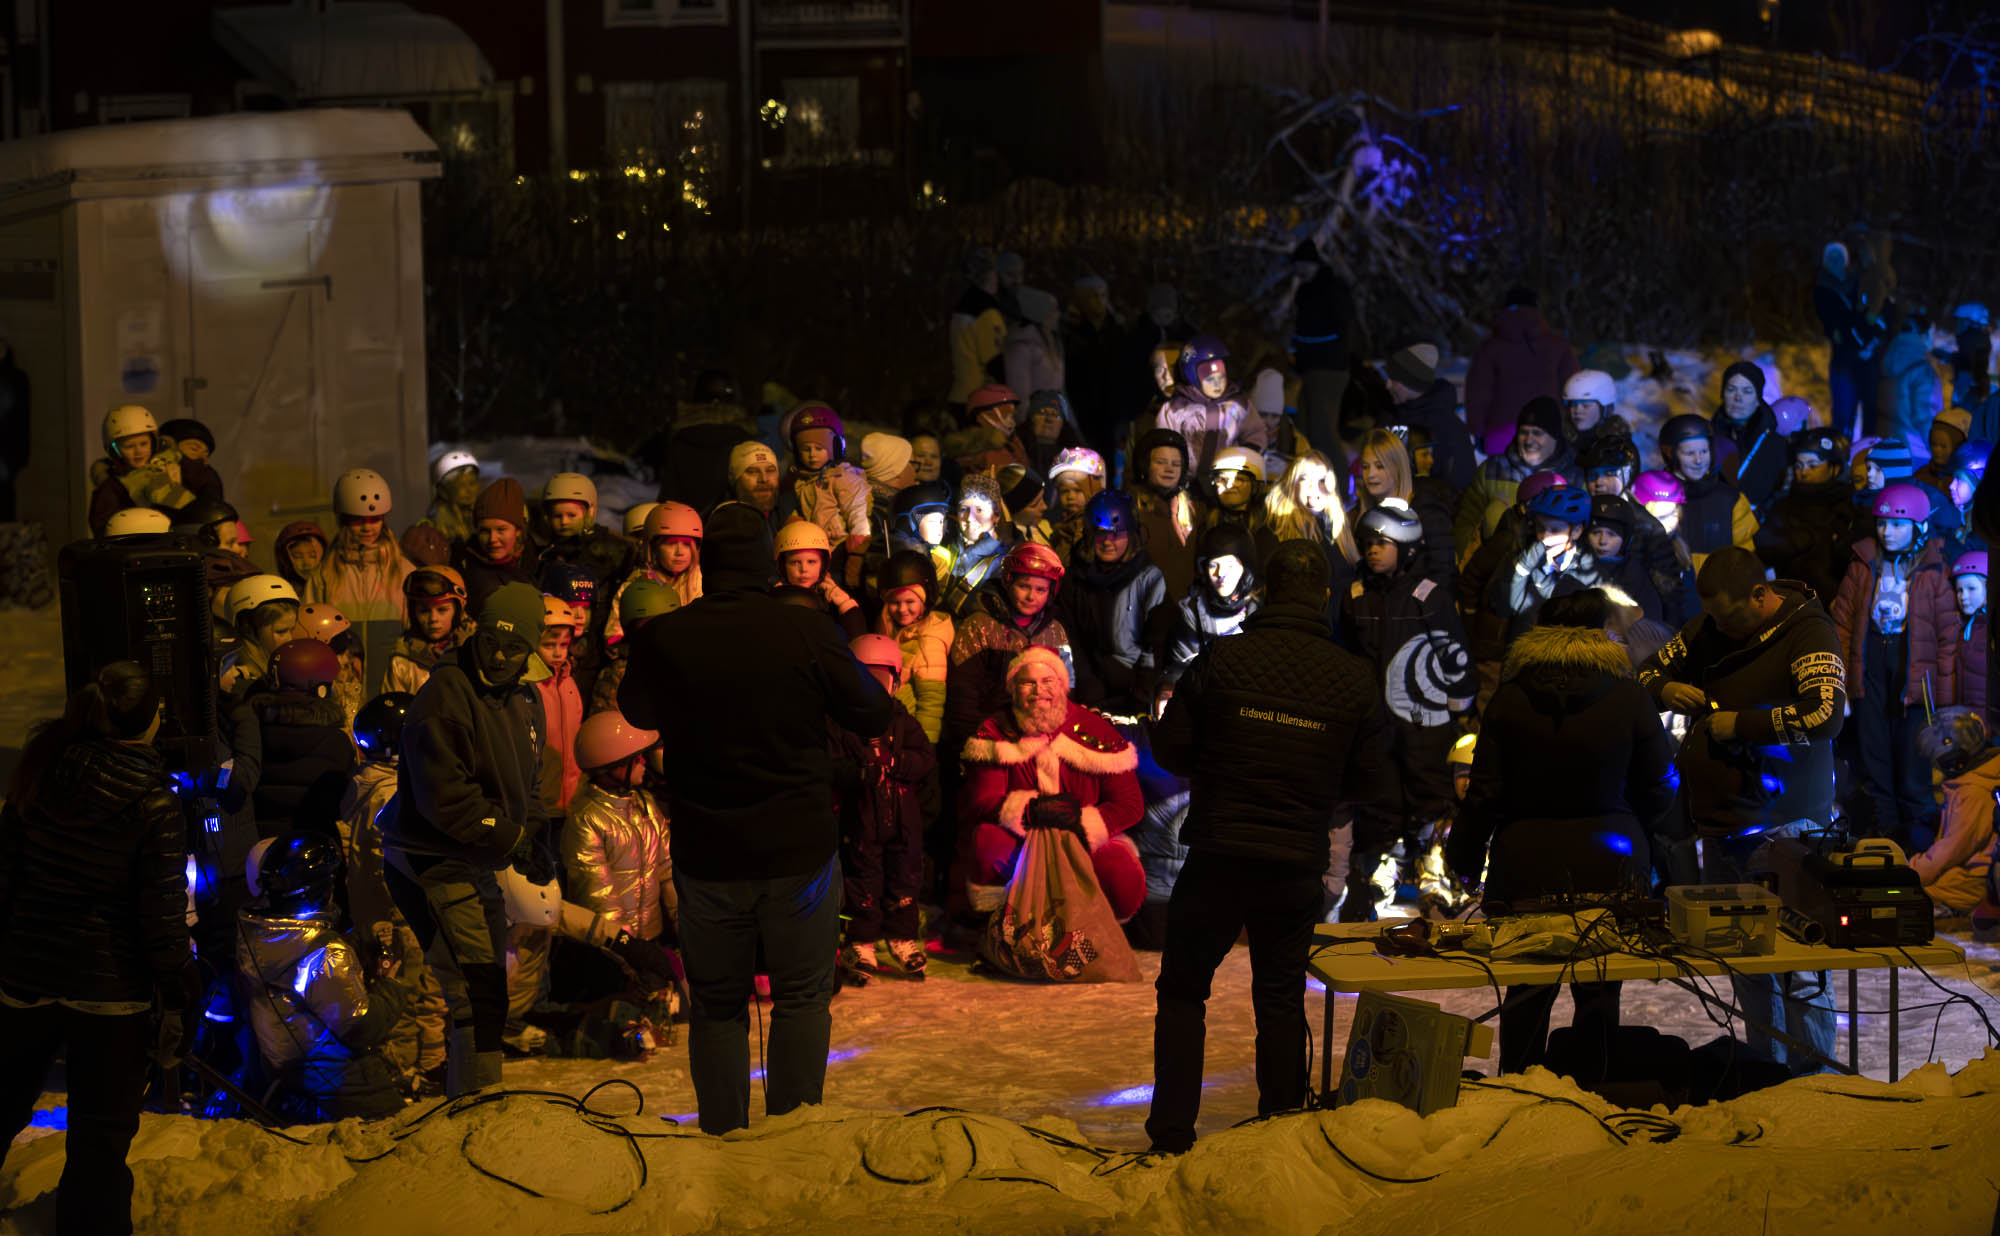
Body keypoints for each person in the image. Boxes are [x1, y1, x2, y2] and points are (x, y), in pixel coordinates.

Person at [617, 502, 893, 1134]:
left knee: (717, 1006)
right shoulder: (805, 629)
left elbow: (636, 708)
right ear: (769, 565)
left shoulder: (668, 634)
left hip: (708, 847)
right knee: (800, 997)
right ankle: (793, 1133)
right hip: (796, 845)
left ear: (707, 564)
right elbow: (873, 714)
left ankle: (721, 1134)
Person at [1144, 541, 1396, 1154]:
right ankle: (1278, 1138)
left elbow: (1170, 749)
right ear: (1325, 597)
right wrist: (1316, 794)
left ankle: (1172, 1135)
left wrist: (1222, 764)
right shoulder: (1354, 678)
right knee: (1280, 1000)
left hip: (1217, 854)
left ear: (1264, 591)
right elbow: (1374, 782)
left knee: (1183, 993)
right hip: (1293, 860)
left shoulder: (1220, 660)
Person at [1446, 592, 1678, 1074]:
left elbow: (1484, 794)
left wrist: (1464, 859)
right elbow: (1660, 785)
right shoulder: (1629, 694)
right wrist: (1636, 829)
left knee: (1526, 996)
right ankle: (1590, 1097)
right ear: (1603, 632)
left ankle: (1521, 1097)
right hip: (1613, 869)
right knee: (1598, 993)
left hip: (1525, 871)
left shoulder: (1511, 697)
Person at [0, 662, 193, 1236]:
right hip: (110, 993)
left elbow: (6, 878)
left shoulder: (40, 772)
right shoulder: (153, 802)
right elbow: (160, 918)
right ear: (150, 722)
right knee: (98, 1141)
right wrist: (180, 993)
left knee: (4, 1102)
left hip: (27, 974)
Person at [1639, 548, 1846, 1072]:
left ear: (1761, 594)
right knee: (1746, 961)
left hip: (1791, 822)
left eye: (1732, 616)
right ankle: (1764, 1073)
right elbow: (1640, 680)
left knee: (1801, 966)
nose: (1722, 627)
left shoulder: (1808, 631)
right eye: (1714, 617)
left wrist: (1743, 725)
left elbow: (1825, 714)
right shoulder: (1708, 627)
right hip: (1723, 822)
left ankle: (1815, 1081)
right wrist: (1665, 687)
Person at [381, 582, 550, 1098]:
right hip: (431, 855)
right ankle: (473, 1113)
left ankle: (480, 1104)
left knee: (487, 989)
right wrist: (512, 839)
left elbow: (532, 779)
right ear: (474, 632)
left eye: (514, 648)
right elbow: (445, 798)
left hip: (473, 852)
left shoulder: (525, 695)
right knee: (474, 993)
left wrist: (535, 834)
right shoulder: (445, 695)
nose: (499, 657)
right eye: (491, 643)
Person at [235, 833, 426, 1120]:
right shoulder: (325, 953)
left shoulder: (256, 931)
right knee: (403, 1138)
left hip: (281, 1069)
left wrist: (361, 945)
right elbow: (362, 1027)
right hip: (336, 1082)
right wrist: (391, 983)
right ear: (321, 888)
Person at [1342, 501, 1474, 895]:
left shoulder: (1428, 597)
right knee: (1380, 794)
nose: (1372, 550)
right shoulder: (1355, 594)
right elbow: (1350, 654)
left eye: (1383, 543)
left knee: (1429, 790)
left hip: (1424, 723)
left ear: (1408, 548)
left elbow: (1456, 655)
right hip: (1375, 721)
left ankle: (1433, 864)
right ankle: (1384, 866)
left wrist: (1459, 712)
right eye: (1368, 543)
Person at [959, 646, 1144, 918]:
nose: (1038, 691)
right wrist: (1030, 811)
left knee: (1119, 868)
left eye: (1048, 681)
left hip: (1084, 840)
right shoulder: (994, 732)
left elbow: (1130, 804)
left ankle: (1098, 933)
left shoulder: (1095, 730)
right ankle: (1002, 929)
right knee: (988, 843)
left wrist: (1080, 823)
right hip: (1022, 838)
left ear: (1063, 686)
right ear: (1013, 689)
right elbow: (982, 800)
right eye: (1028, 683)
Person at [1830, 483, 1959, 845]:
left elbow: (1948, 636)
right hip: (1870, 662)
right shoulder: (1863, 565)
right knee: (1874, 757)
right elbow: (1842, 622)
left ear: (1918, 528)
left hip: (1914, 671)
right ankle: (1883, 834)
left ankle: (1918, 840)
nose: (1888, 531)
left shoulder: (1933, 573)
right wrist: (1841, 682)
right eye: (1883, 523)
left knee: (1914, 761)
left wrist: (1946, 698)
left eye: (1898, 525)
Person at [343, 692, 449, 1094]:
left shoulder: (364, 784)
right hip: (400, 913)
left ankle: (413, 1065)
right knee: (415, 992)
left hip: (378, 913)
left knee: (398, 989)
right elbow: (388, 863)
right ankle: (417, 1069)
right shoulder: (392, 796)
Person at [835, 636, 937, 983]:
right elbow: (831, 765)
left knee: (905, 877)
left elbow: (925, 759)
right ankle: (862, 941)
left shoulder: (902, 720)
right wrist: (859, 771)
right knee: (863, 878)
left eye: (880, 679)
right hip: (862, 818)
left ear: (897, 679)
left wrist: (897, 762)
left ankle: (901, 936)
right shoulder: (841, 723)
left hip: (903, 821)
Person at [563, 710, 677, 964]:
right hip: (611, 951)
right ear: (608, 765)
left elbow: (667, 871)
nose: (644, 762)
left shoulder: (645, 806)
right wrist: (628, 951)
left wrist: (686, 928)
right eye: (635, 758)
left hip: (648, 941)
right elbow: (600, 897)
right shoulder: (587, 818)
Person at [1055, 490, 1168, 716]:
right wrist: (1090, 695)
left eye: (1116, 534)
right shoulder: (1075, 580)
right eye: (1100, 534)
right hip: (1089, 695)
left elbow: (1156, 643)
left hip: (1137, 694)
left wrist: (1140, 698)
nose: (1108, 541)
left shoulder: (1149, 579)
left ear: (1131, 535)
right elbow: (1071, 641)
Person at [1463, 287, 1579, 458]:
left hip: (1501, 433)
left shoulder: (1490, 349)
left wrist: (1478, 431)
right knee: (1544, 483)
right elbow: (1572, 388)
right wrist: (1570, 427)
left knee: (1501, 483)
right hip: (1547, 430)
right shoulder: (1558, 346)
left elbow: (1478, 394)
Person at [1755, 428, 1863, 608]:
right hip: (1790, 604)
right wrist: (1793, 542)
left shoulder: (1848, 506)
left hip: (1834, 605)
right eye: (1799, 465)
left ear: (1835, 468)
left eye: (1813, 465)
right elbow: (1763, 547)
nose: (1804, 472)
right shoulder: (1783, 505)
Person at [1454, 397, 1577, 552]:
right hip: (1495, 562)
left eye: (1537, 433)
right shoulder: (1493, 470)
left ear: (1555, 437)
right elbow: (1466, 521)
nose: (1529, 440)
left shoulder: (1573, 475)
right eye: (1523, 432)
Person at [1156, 525, 1261, 702]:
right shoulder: (1192, 614)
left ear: (1245, 568)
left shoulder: (1258, 614)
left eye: (1229, 565)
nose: (1221, 574)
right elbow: (1180, 668)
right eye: (1214, 565)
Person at [1911, 708, 1998, 914]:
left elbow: (1953, 848)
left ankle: (1949, 910)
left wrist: (1912, 871)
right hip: (1972, 870)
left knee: (1912, 893)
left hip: (1976, 878)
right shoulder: (1979, 778)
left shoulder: (1973, 791)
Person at [785, 403, 872, 589]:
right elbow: (804, 508)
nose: (812, 455)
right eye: (806, 449)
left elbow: (857, 514)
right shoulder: (803, 481)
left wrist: (856, 556)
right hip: (817, 549)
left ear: (835, 447)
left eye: (819, 448)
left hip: (840, 549)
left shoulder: (844, 478)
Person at [1353, 428, 1453, 587]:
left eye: (1380, 466)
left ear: (1398, 466)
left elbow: (1442, 570)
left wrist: (1415, 602)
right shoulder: (1362, 516)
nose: (1370, 474)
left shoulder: (1426, 510)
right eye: (1365, 467)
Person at [1658, 414, 1757, 572]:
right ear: (1670, 454)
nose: (1699, 460)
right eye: (1689, 453)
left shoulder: (1731, 500)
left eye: (1704, 451)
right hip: (1673, 593)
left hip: (1721, 592)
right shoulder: (1655, 500)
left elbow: (1746, 558)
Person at [1154, 334, 1266, 474]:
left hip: (1226, 480)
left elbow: (1255, 434)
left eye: (1221, 377)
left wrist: (1244, 460)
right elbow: (1163, 442)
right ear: (1192, 377)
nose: (1217, 383)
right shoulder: (1175, 409)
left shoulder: (1237, 406)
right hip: (1186, 478)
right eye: (1210, 379)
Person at [874, 550, 954, 743]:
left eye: (910, 602)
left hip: (910, 738)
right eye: (894, 602)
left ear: (925, 600)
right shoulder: (891, 629)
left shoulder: (930, 639)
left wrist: (924, 747)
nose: (902, 610)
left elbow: (931, 702)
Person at [1287, 238, 1355, 459]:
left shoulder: (1329, 289)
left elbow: (1339, 329)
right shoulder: (1306, 292)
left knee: (1322, 431)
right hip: (1311, 368)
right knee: (1306, 429)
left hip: (1328, 368)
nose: (1299, 270)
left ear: (1314, 264)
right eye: (1297, 265)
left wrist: (1305, 347)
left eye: (1303, 264)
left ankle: (1341, 486)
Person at [1380, 342, 1475, 492]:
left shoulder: (1448, 430)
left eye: (1394, 380)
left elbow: (1460, 484)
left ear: (1411, 384)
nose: (1388, 385)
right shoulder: (1392, 416)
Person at [88, 404, 194, 536]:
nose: (138, 451)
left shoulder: (177, 465)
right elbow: (103, 528)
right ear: (115, 450)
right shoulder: (112, 487)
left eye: (143, 444)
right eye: (129, 446)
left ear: (154, 442)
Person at [1129, 427, 1200, 601]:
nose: (1169, 469)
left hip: (1184, 606)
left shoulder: (1194, 511)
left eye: (1176, 464)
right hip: (1144, 604)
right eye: (1161, 462)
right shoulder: (1132, 508)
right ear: (1145, 465)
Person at [452, 477, 542, 614]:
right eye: (484, 531)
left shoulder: (536, 562)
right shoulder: (464, 567)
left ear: (518, 530)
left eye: (501, 530)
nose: (492, 539)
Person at [1063, 274, 1127, 461]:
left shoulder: (1116, 329)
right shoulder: (1071, 333)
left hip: (1112, 411)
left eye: (1102, 295)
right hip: (1084, 410)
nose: (1099, 301)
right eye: (1093, 296)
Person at [383, 565, 471, 696]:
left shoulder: (472, 653)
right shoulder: (402, 662)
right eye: (424, 611)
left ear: (458, 611)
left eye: (442, 610)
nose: (433, 619)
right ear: (413, 614)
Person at [1712, 362, 1787, 514]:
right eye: (1731, 389)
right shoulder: (1706, 436)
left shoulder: (1776, 444)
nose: (1737, 398)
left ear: (1758, 398)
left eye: (1747, 391)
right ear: (1722, 394)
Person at [1815, 241, 1872, 436]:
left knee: (1868, 409)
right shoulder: (1822, 288)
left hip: (1865, 356)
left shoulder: (1859, 283)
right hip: (1842, 357)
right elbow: (1832, 321)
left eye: (1839, 257)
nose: (1835, 262)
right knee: (1842, 408)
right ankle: (1840, 449)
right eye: (1830, 258)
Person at [935, 472, 1009, 620]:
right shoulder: (943, 543)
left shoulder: (1002, 562)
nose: (970, 518)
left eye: (980, 510)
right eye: (964, 509)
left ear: (996, 516)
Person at [947, 247, 1008, 407]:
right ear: (988, 274)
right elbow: (995, 361)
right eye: (995, 272)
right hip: (978, 400)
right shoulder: (985, 312)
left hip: (960, 393)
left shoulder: (963, 307)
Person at [1003, 289, 1066, 404]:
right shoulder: (1022, 348)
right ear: (1042, 313)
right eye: (1053, 310)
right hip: (1036, 417)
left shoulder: (1053, 343)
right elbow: (1020, 395)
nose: (1058, 314)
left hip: (1054, 414)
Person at [1952, 551, 1989, 727]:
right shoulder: (1964, 628)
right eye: (1959, 590)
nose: (1963, 596)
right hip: (1968, 726)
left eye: (1971, 588)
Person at [1561, 369, 1632, 461]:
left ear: (1605, 408)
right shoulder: (1562, 437)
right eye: (1573, 404)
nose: (1577, 411)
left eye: (1586, 405)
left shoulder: (1619, 444)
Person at [158, 418, 225, 504]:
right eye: (194, 449)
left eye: (206, 455)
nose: (202, 459)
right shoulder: (147, 474)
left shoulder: (209, 480)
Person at [427, 450, 482, 549]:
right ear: (444, 490)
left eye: (472, 483)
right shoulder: (435, 525)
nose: (469, 490)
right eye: (460, 485)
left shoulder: (484, 513)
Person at [274, 521, 327, 593]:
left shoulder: (333, 590)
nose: (306, 563)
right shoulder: (285, 594)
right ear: (286, 560)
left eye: (312, 556)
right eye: (297, 556)